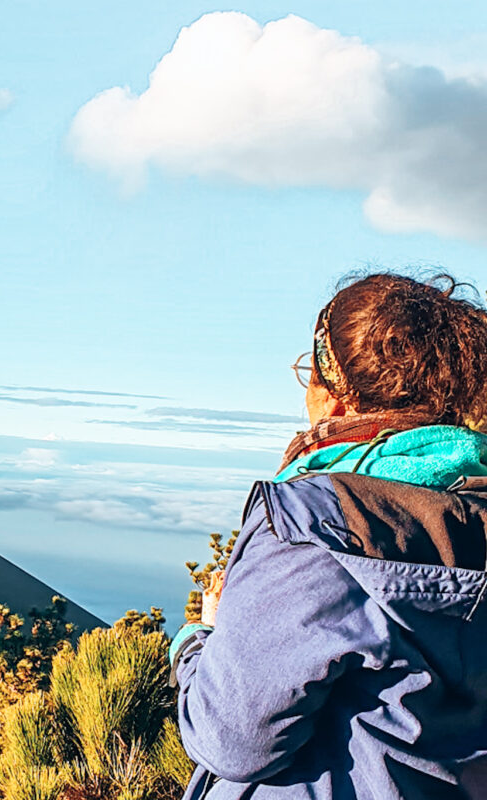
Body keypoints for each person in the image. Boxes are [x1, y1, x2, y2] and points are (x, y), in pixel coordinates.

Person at [168, 272, 487, 799]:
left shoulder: (315, 525)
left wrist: (202, 639)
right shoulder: (473, 504)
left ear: (334, 393)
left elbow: (232, 741)